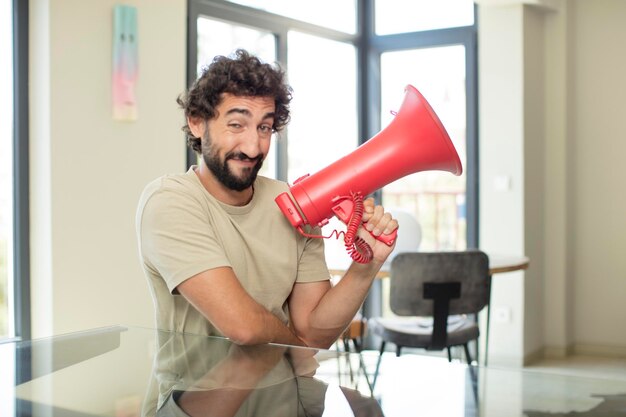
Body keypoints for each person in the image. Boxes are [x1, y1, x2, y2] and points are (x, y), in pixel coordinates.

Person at [136, 49, 398, 349]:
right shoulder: (169, 201)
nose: (252, 146)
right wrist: (296, 353)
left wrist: (366, 264)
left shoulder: (294, 202)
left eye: (264, 127)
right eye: (236, 125)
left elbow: (316, 334)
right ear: (197, 122)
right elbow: (244, 327)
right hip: (195, 393)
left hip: (284, 395)